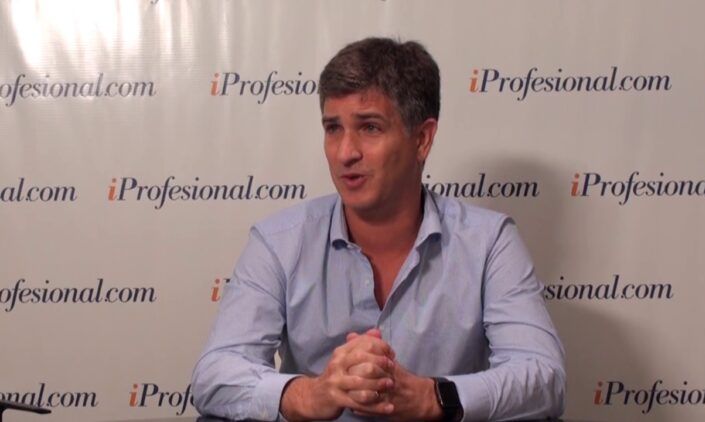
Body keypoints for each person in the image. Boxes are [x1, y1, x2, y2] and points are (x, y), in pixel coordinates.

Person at [192, 37, 565, 421]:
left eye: (369, 127)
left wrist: (432, 397)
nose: (345, 153)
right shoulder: (278, 241)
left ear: (422, 139)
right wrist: (308, 394)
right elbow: (215, 373)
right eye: (333, 128)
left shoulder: (489, 241)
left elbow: (543, 375)